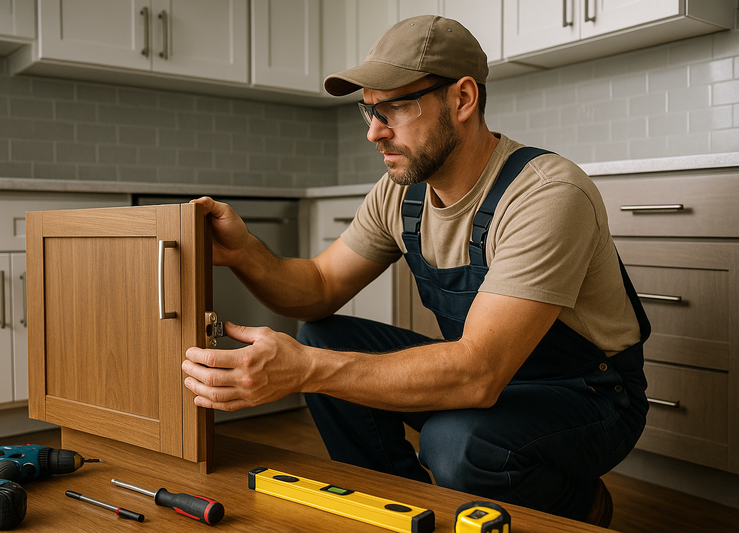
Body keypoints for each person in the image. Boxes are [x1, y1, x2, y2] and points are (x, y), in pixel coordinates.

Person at [182, 15, 650, 526]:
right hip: (489, 375)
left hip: (588, 397)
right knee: (319, 334)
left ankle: (578, 505)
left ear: (463, 99)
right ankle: (404, 511)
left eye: (395, 107)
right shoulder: (401, 194)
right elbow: (317, 289)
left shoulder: (545, 194)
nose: (373, 132)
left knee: (454, 441)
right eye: (369, 109)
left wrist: (305, 371)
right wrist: (245, 252)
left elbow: (478, 373)